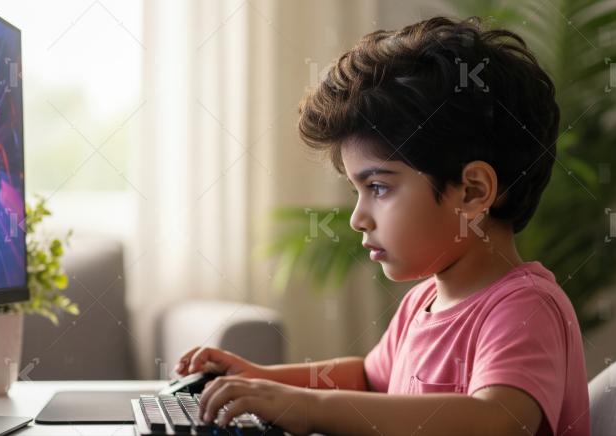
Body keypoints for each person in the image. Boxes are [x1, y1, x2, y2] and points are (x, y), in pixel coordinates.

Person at [174, 16, 591, 435]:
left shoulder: (524, 307)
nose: (358, 218)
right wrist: (259, 379)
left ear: (471, 192)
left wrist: (310, 406)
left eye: (378, 187)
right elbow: (370, 379)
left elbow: (498, 420)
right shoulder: (421, 302)